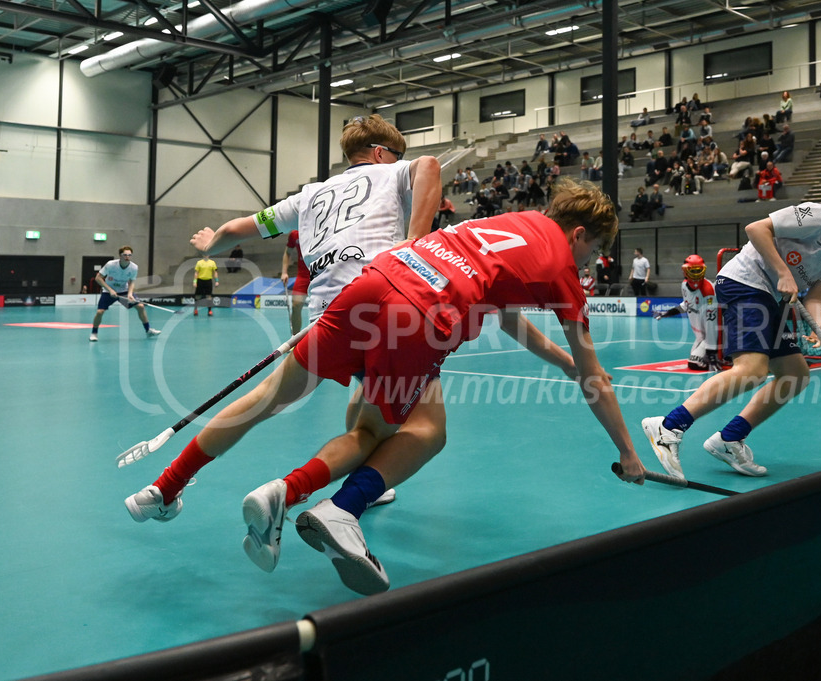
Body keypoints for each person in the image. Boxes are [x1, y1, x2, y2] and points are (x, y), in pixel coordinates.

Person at [176, 178, 646, 595]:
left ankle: (179, 485)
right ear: (578, 234)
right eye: (592, 251)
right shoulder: (563, 270)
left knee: (288, 401)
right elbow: (596, 380)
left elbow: (506, 317)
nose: (589, 261)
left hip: (374, 283)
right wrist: (627, 452)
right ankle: (332, 505)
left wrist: (564, 364)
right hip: (421, 313)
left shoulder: (515, 222)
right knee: (419, 434)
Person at [123, 115, 442, 566]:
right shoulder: (392, 172)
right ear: (378, 152)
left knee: (261, 401)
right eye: (396, 155)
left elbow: (237, 229)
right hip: (385, 304)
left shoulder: (309, 194)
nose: (399, 161)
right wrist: (414, 241)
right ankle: (308, 495)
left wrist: (211, 243)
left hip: (328, 316)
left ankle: (164, 487)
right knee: (420, 428)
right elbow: (429, 165)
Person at [640, 181, 821, 479]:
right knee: (751, 370)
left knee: (795, 375)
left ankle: (729, 439)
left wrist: (819, 323)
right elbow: (756, 229)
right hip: (743, 282)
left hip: (770, 297)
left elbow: (815, 298)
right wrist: (783, 272)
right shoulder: (818, 216)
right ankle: (668, 426)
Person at [652, 254, 722, 371]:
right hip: (701, 336)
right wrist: (667, 313)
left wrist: (711, 352)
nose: (696, 274)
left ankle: (722, 354)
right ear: (685, 271)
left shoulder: (708, 291)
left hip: (712, 335)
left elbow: (711, 324)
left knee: (695, 363)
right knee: (694, 358)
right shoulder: (684, 285)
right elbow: (687, 304)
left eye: (698, 270)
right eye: (692, 271)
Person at [89, 246, 161, 341]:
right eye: (125, 255)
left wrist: (130, 294)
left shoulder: (134, 267)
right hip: (108, 291)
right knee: (100, 312)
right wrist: (110, 290)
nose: (127, 257)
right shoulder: (111, 265)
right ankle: (94, 333)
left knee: (140, 307)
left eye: (129, 255)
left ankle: (148, 330)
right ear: (120, 255)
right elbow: (98, 278)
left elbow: (132, 281)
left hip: (124, 291)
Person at [281, 229, 310, 334]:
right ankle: (295, 338)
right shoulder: (294, 234)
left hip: (319, 273)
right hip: (303, 275)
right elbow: (287, 252)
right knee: (295, 305)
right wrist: (284, 272)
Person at [192, 252, 219, 316]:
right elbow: (196, 273)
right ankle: (195, 309)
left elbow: (215, 272)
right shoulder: (199, 262)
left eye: (207, 254)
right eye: (205, 254)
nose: (206, 255)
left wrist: (217, 281)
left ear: (209, 255)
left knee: (209, 296)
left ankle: (209, 311)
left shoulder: (212, 262)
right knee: (197, 296)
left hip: (208, 281)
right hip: (200, 281)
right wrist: (195, 281)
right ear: (203, 255)